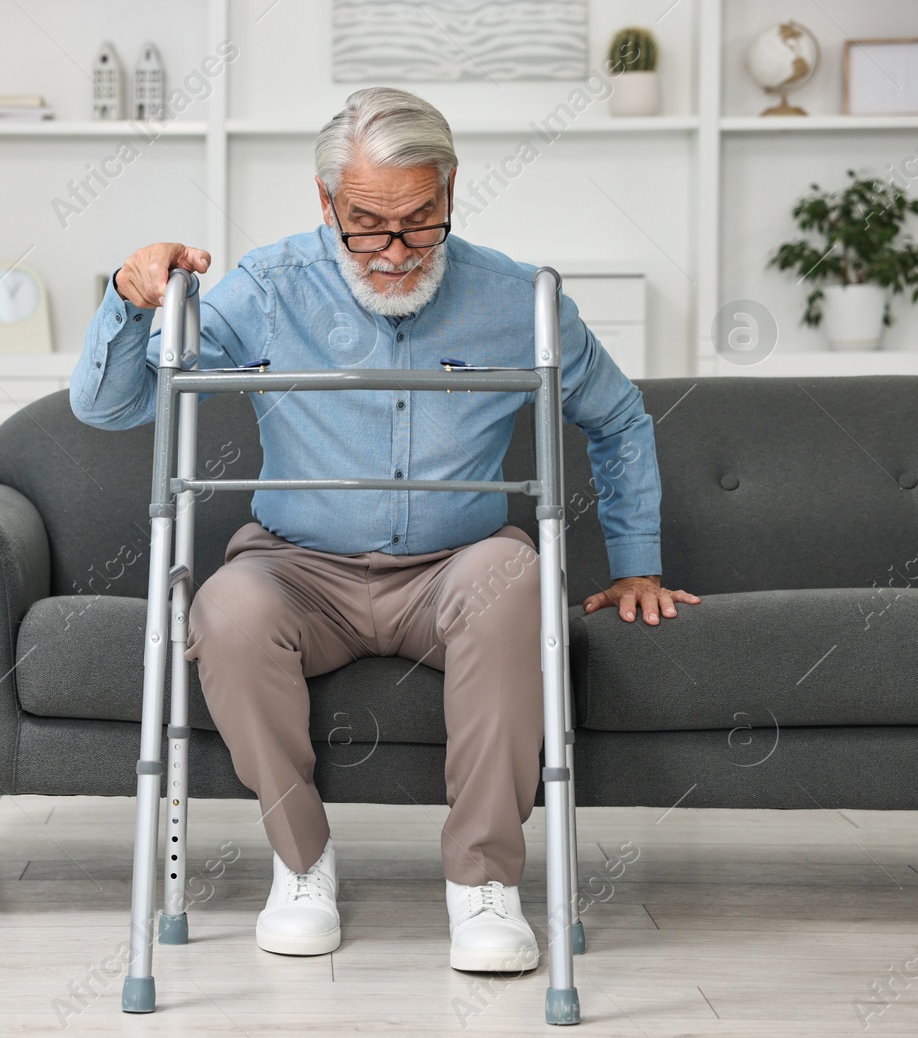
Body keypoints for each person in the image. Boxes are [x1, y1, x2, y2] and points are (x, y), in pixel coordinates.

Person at [69, 87, 699, 972]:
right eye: (367, 224)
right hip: (298, 571)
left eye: (420, 221)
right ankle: (300, 864)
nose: (396, 251)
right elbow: (109, 406)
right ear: (326, 204)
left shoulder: (518, 298)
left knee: (517, 578)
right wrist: (134, 300)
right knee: (226, 606)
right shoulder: (266, 289)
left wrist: (637, 563)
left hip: (456, 570)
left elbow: (620, 417)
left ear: (450, 191)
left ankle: (483, 884)